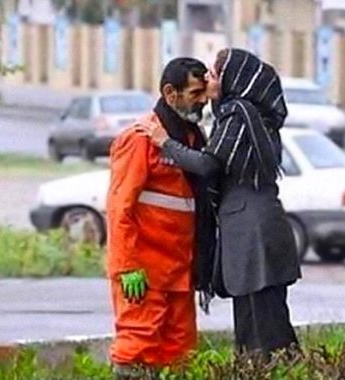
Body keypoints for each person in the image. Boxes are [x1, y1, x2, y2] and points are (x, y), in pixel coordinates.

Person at [138, 49, 301, 357]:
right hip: (252, 229)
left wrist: (164, 142)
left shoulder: (237, 115)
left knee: (266, 329)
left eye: (213, 75)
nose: (207, 80)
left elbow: (209, 165)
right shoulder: (245, 116)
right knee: (254, 324)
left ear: (232, 80)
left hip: (254, 232)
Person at [105, 57, 214, 378]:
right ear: (171, 93)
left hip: (179, 272)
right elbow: (119, 208)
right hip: (144, 273)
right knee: (136, 348)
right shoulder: (139, 139)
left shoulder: (191, 139)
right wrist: (127, 268)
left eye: (204, 92)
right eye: (196, 93)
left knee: (181, 355)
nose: (203, 100)